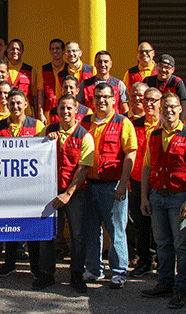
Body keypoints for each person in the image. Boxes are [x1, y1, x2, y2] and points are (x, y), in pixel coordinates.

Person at [140, 92, 186, 309]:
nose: (168, 110)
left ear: (180, 109)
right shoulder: (155, 135)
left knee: (182, 245)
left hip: (180, 198)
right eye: (164, 107)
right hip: (158, 197)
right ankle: (164, 282)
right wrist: (144, 197)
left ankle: (181, 289)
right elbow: (147, 166)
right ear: (160, 109)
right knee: (163, 245)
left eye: (173, 107)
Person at [33, 94, 94, 293]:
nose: (65, 112)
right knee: (46, 235)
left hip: (75, 194)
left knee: (77, 236)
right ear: (57, 111)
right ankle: (46, 274)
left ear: (76, 110)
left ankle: (76, 275)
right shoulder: (49, 130)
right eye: (62, 108)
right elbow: (32, 151)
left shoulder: (84, 136)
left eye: (69, 108)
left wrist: (68, 193)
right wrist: (44, 140)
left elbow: (83, 168)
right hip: (49, 192)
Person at [82, 83, 137, 288]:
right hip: (88, 185)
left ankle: (119, 272)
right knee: (91, 229)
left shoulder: (123, 122)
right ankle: (93, 269)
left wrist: (123, 184)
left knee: (116, 230)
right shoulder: (85, 122)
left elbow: (130, 153)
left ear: (114, 99)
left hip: (112, 186)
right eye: (98, 97)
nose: (101, 100)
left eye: (106, 97)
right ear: (93, 100)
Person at [0, 88, 46, 278]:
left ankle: (35, 266)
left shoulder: (38, 126)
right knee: (11, 225)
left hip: (31, 186)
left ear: (25, 104)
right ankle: (9, 263)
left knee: (31, 226)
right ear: (7, 105)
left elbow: (44, 155)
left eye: (18, 103)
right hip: (8, 185)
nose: (15, 106)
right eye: (11, 103)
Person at [129, 87, 162, 278]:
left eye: (153, 100)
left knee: (159, 223)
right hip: (136, 180)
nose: (148, 104)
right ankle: (144, 262)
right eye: (146, 100)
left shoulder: (166, 124)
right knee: (140, 224)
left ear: (160, 102)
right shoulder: (133, 124)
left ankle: (160, 259)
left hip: (159, 182)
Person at [80, 50, 129, 115]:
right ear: (95, 63)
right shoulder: (84, 84)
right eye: (99, 62)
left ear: (111, 64)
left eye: (106, 62)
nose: (102, 65)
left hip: (112, 123)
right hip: (90, 123)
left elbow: (125, 109)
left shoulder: (119, 84)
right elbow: (79, 108)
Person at [144, 54, 186, 120]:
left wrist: (180, 122)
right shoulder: (148, 81)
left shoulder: (177, 82)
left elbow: (183, 103)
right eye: (160, 66)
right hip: (151, 119)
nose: (163, 70)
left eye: (167, 67)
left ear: (173, 70)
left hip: (171, 118)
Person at [37, 38, 66, 124]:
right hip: (48, 112)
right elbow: (40, 93)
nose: (55, 51)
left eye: (57, 48)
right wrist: (40, 113)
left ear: (63, 51)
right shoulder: (43, 69)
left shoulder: (68, 69)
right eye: (52, 49)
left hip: (65, 111)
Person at [6, 39, 36, 111]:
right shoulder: (2, 69)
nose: (15, 51)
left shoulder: (30, 70)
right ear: (7, 50)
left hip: (25, 112)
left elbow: (35, 96)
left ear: (22, 51)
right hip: (6, 111)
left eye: (18, 49)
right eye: (12, 49)